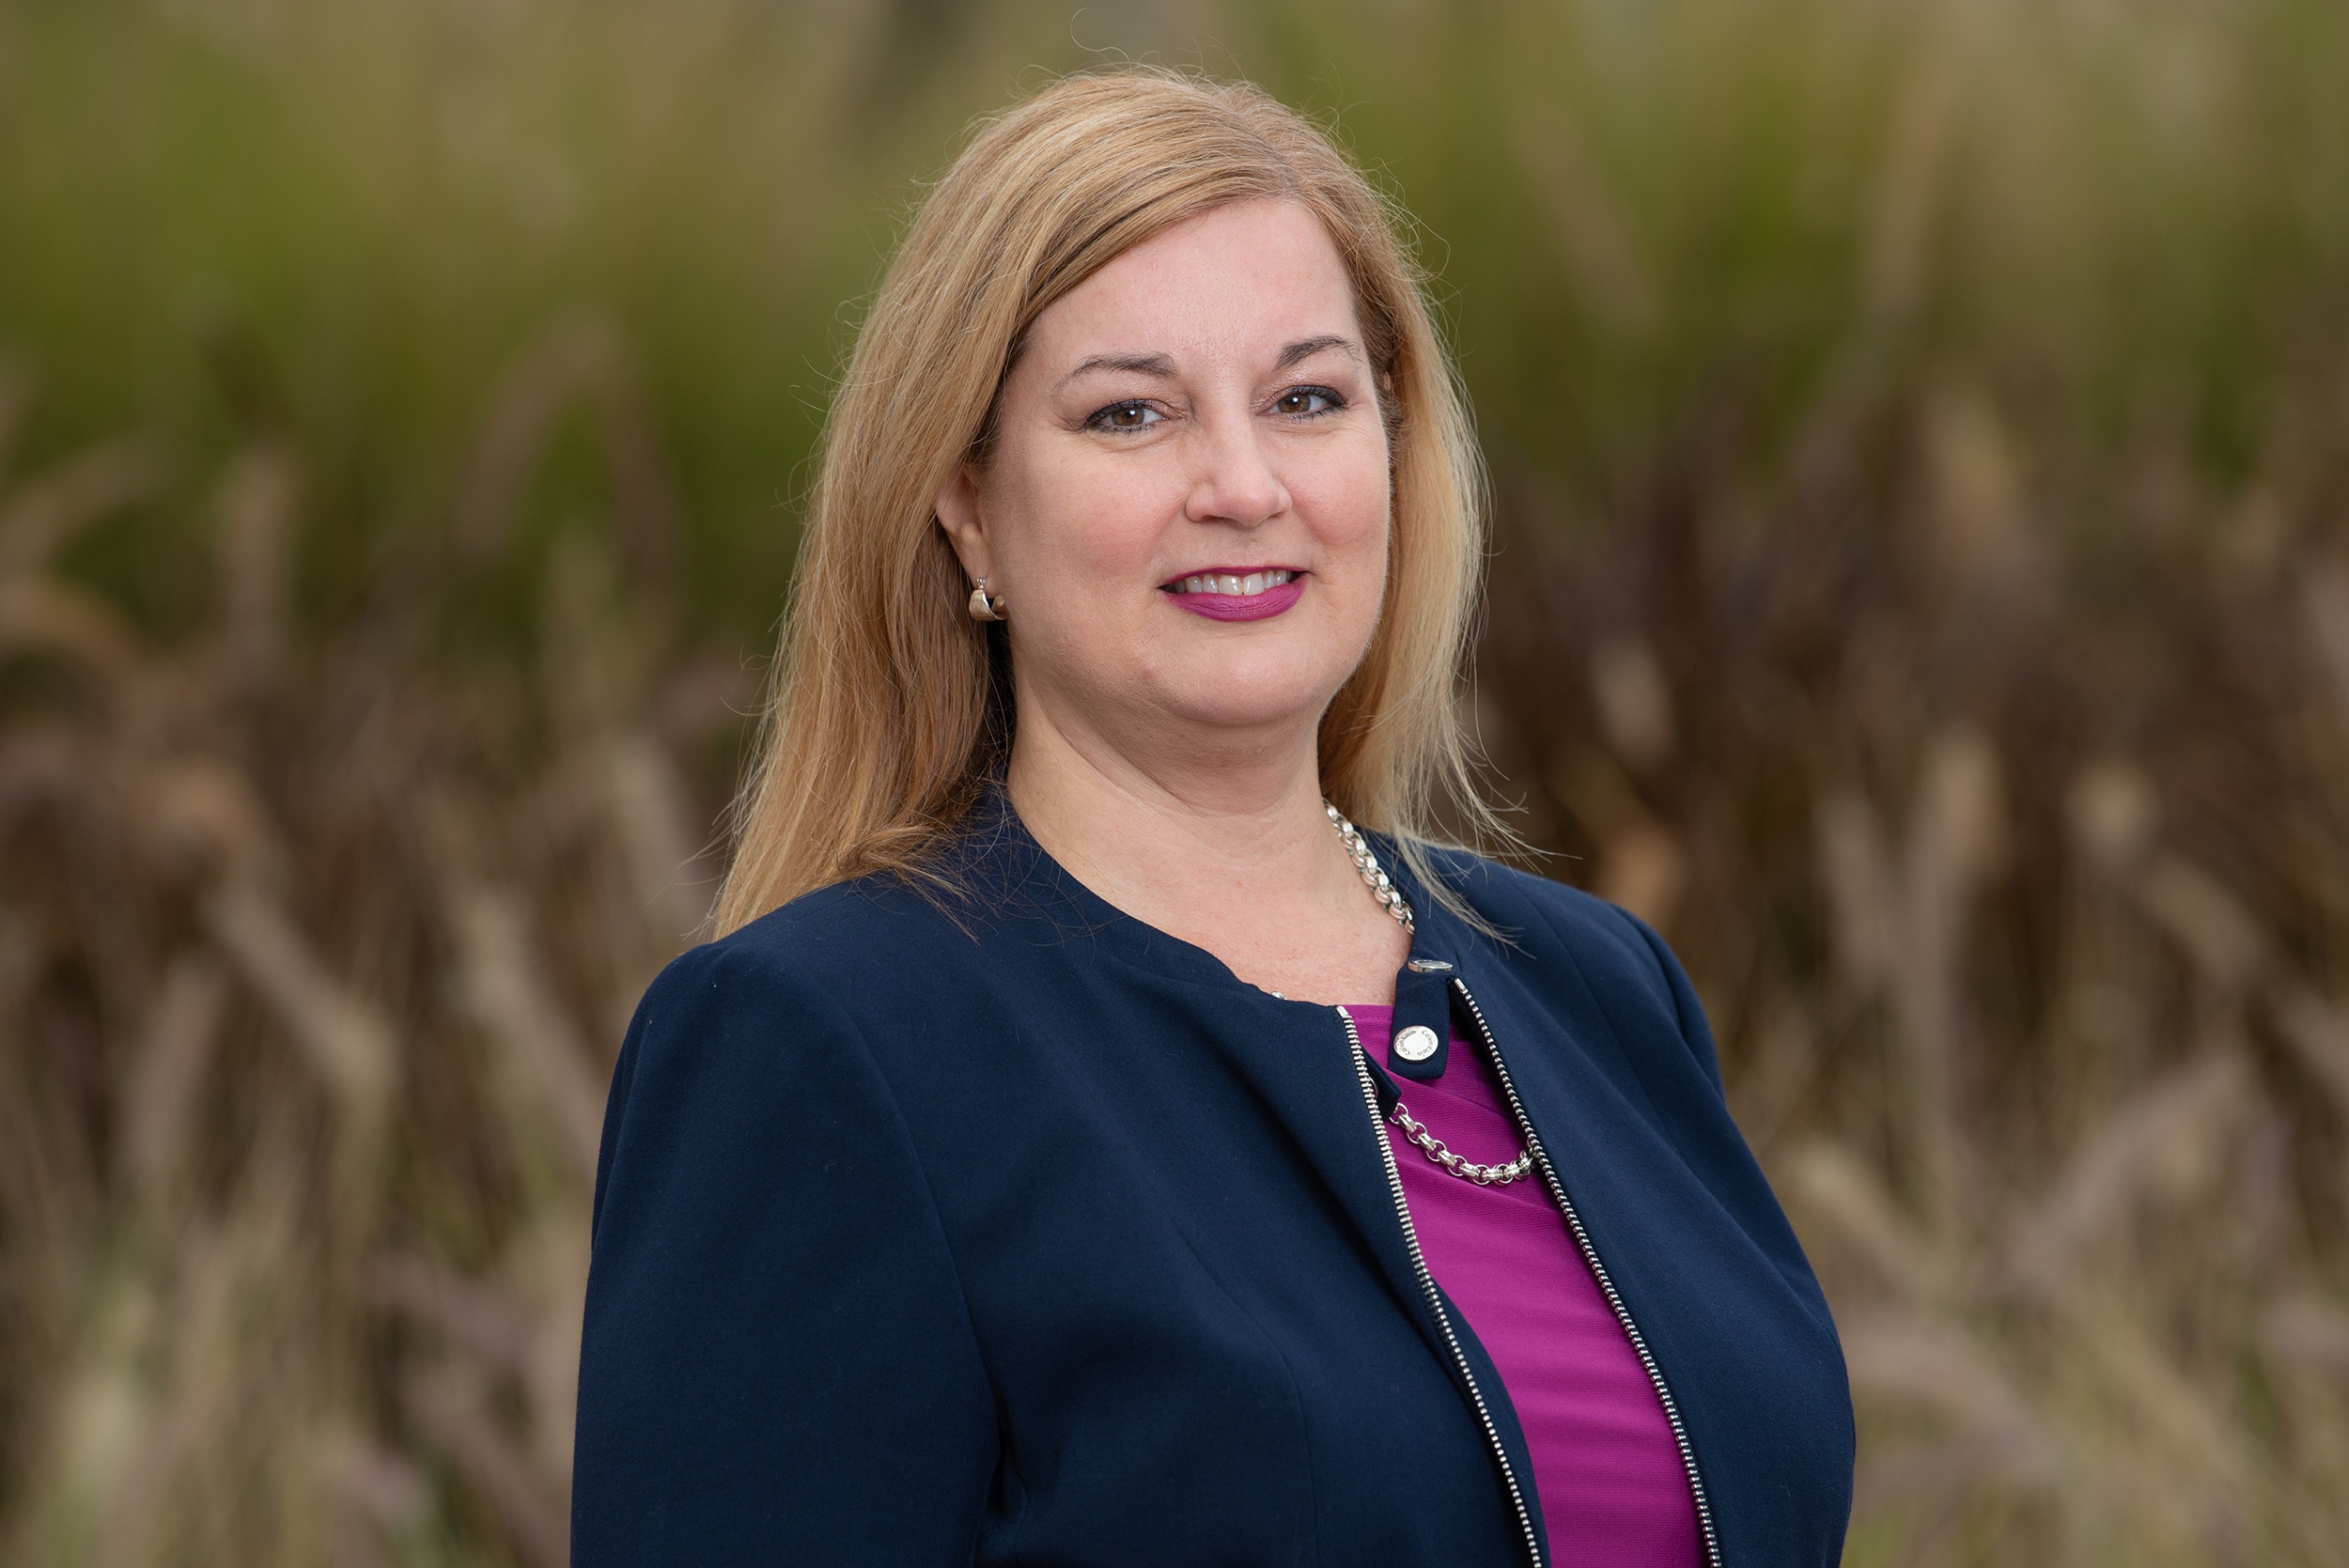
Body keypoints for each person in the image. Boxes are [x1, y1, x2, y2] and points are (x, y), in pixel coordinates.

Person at [571, 70, 1852, 1568]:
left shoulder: (1602, 991)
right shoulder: (823, 1047)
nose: (1242, 484)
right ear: (968, 501)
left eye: (1307, 398)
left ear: (1391, 443)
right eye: (1132, 413)